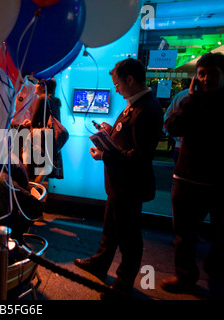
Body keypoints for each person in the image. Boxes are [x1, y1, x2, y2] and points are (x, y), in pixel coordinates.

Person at [74, 58, 163, 297]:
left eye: (117, 84)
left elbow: (139, 156)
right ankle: (100, 263)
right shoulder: (136, 104)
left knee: (129, 239)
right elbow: (128, 139)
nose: (116, 88)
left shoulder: (146, 109)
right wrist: (109, 131)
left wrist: (104, 154)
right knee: (111, 229)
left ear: (130, 80)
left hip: (129, 186)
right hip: (118, 184)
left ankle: (123, 284)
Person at [162, 52, 224, 298]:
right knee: (184, 234)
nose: (206, 79)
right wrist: (191, 98)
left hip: (219, 181)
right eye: (202, 74)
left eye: (212, 74)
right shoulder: (191, 101)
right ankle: (185, 275)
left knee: (221, 237)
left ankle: (216, 275)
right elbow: (172, 127)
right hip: (187, 177)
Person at [23, 78, 63, 183]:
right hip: (50, 142)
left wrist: (30, 123)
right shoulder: (55, 100)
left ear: (43, 86)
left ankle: (32, 196)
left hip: (40, 141)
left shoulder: (41, 99)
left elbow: (35, 124)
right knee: (41, 177)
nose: (35, 85)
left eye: (37, 83)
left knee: (31, 175)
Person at [163, 88, 189, 163]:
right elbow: (166, 123)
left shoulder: (182, 95)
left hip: (180, 147)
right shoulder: (184, 95)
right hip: (182, 148)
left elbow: (166, 122)